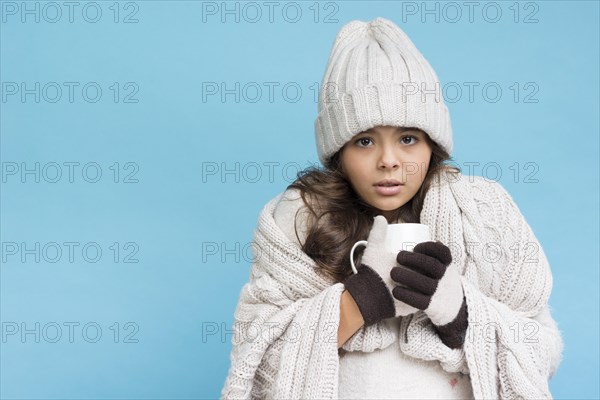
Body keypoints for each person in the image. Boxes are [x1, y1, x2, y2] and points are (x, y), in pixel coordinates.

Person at [221, 17, 563, 399]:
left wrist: (460, 312)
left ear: (432, 144)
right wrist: (361, 297)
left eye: (407, 138)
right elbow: (257, 366)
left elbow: (541, 352)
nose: (389, 161)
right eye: (365, 141)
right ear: (339, 151)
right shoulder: (299, 220)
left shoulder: (483, 214)